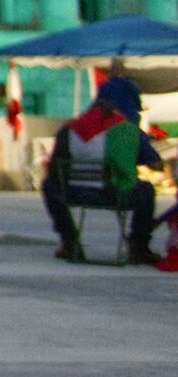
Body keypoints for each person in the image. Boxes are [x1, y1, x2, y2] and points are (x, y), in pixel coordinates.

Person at [43, 75, 163, 264]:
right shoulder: (129, 130)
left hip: (74, 193)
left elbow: (54, 168)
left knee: (48, 185)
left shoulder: (69, 129)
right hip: (115, 194)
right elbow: (157, 166)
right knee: (147, 190)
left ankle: (70, 242)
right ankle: (139, 247)